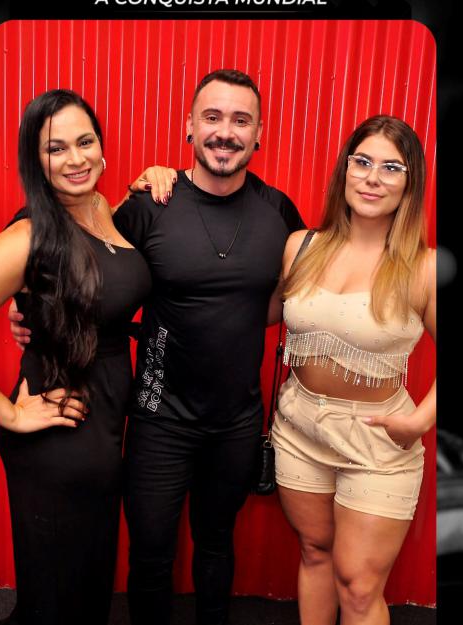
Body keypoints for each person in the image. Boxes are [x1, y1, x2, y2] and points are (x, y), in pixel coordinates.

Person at [113, 69, 305, 625]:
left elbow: (300, 297)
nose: (226, 132)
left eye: (241, 120)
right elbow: (93, 273)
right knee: (151, 555)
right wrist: (29, 310)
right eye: (213, 117)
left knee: (217, 545)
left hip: (235, 423)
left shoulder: (279, 212)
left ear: (259, 133)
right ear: (190, 127)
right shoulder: (151, 203)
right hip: (158, 418)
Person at [0, 89, 152, 624]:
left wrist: (149, 181)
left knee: (86, 586)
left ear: (102, 147)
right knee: (57, 598)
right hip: (57, 437)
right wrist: (12, 415)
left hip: (103, 425)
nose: (75, 159)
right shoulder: (29, 236)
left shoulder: (101, 208)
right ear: (35, 160)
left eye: (85, 142)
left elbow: (99, 279)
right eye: (56, 148)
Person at [272, 115, 436, 625]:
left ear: (410, 183)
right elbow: (246, 306)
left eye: (391, 167)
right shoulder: (301, 246)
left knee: (360, 588)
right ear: (345, 169)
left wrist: (419, 421)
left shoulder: (424, 267)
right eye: (362, 162)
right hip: (298, 427)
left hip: (377, 442)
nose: (372, 178)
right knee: (315, 553)